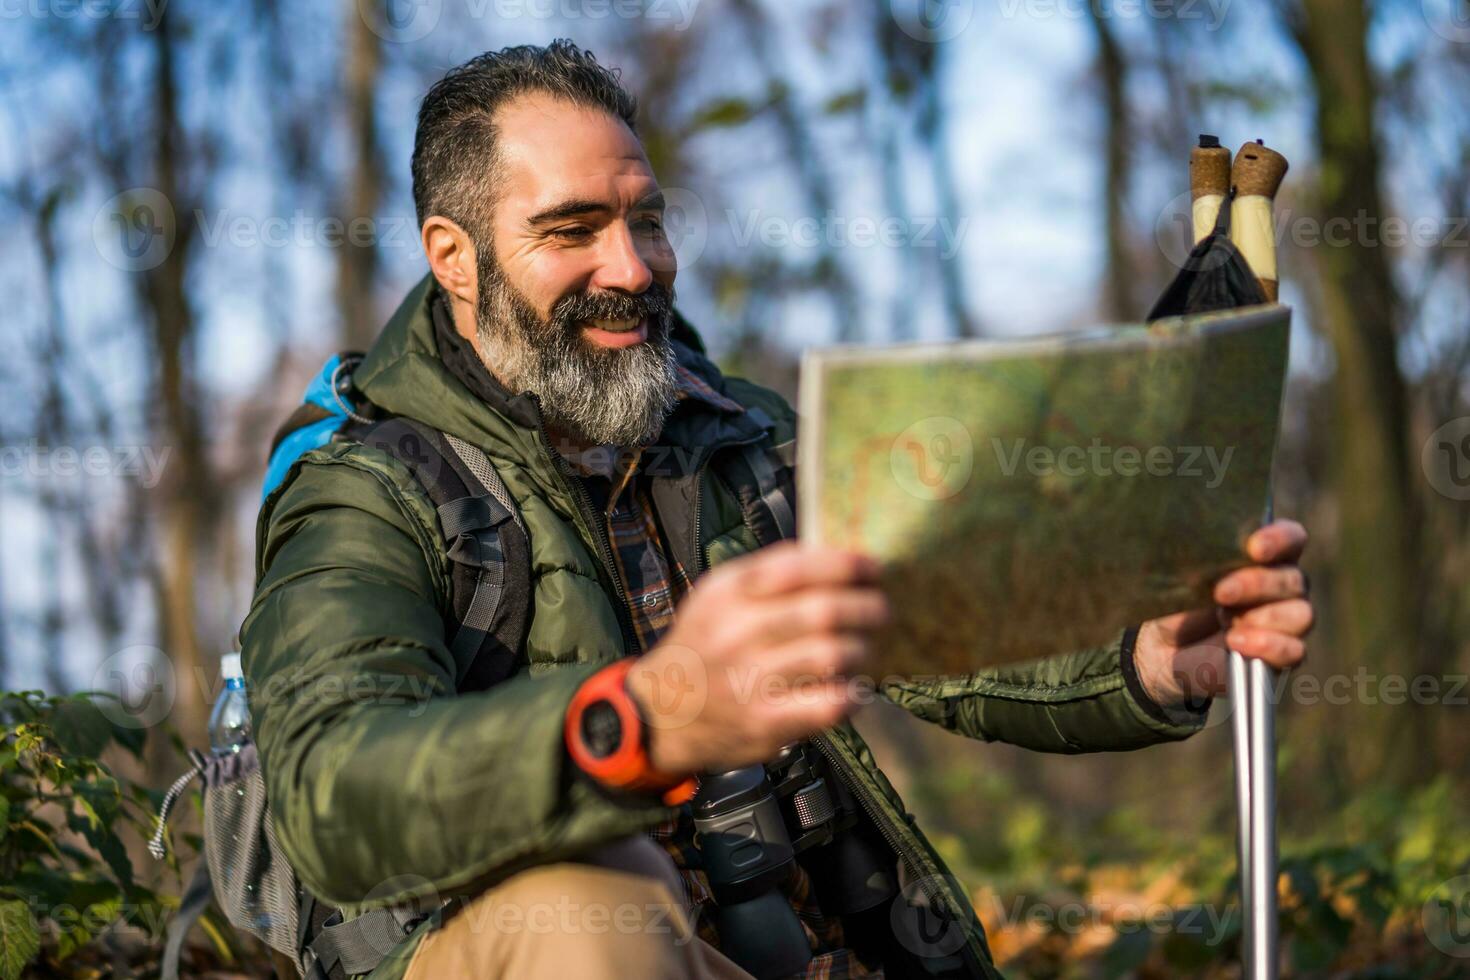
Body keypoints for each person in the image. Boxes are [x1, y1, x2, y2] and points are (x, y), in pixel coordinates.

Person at [241, 40, 1313, 980]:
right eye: (572, 229)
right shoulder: (364, 488)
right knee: (588, 906)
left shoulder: (737, 433)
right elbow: (333, 793)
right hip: (547, 953)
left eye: (646, 219)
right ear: (453, 258)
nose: (631, 266)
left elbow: (945, 633)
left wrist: (1147, 656)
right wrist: (635, 722)